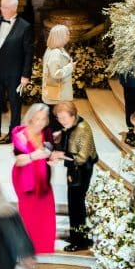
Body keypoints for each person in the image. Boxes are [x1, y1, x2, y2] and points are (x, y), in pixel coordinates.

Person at [52, 100, 98, 252]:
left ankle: (80, 241)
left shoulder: (83, 129)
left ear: (73, 115)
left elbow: (82, 157)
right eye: (59, 118)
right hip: (75, 168)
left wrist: (61, 154)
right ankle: (75, 235)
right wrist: (62, 133)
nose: (61, 121)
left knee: (77, 205)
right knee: (73, 203)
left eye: (64, 118)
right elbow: (69, 137)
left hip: (82, 169)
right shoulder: (73, 124)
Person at [0, 0, 34, 143]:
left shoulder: (25, 27)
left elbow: (29, 52)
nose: (2, 9)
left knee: (14, 104)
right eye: (1, 6)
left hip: (15, 73)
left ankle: (13, 134)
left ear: (14, 8)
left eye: (6, 7)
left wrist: (26, 75)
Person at [11, 103, 56, 254]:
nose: (40, 123)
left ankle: (44, 248)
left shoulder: (48, 132)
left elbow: (50, 151)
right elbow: (19, 160)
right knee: (29, 214)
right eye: (37, 119)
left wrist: (52, 158)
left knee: (46, 214)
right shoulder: (20, 134)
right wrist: (33, 156)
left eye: (43, 119)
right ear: (30, 118)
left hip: (43, 180)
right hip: (25, 179)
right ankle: (29, 248)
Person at [42, 24, 74, 106]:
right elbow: (55, 74)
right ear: (61, 37)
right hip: (57, 94)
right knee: (57, 116)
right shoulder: (55, 53)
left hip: (56, 91)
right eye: (67, 34)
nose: (69, 35)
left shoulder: (53, 49)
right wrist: (70, 67)